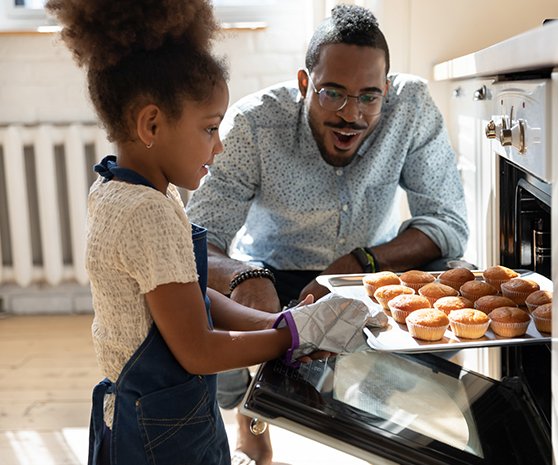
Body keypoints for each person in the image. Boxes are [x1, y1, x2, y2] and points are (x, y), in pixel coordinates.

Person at [46, 1, 378, 464]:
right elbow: (198, 350)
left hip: (145, 409)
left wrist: (275, 323)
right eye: (210, 128)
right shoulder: (149, 213)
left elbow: (191, 296)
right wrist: (294, 336)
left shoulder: (120, 188)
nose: (219, 145)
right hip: (162, 429)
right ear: (152, 123)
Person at [185, 4, 470, 465]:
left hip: (370, 272)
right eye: (332, 93)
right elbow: (197, 239)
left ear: (388, 91)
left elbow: (448, 223)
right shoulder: (252, 125)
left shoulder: (411, 107)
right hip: (270, 277)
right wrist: (245, 276)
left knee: (455, 273)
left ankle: (394, 419)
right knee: (194, 302)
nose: (351, 115)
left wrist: (360, 263)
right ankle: (249, 411)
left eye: (369, 97)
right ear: (304, 85)